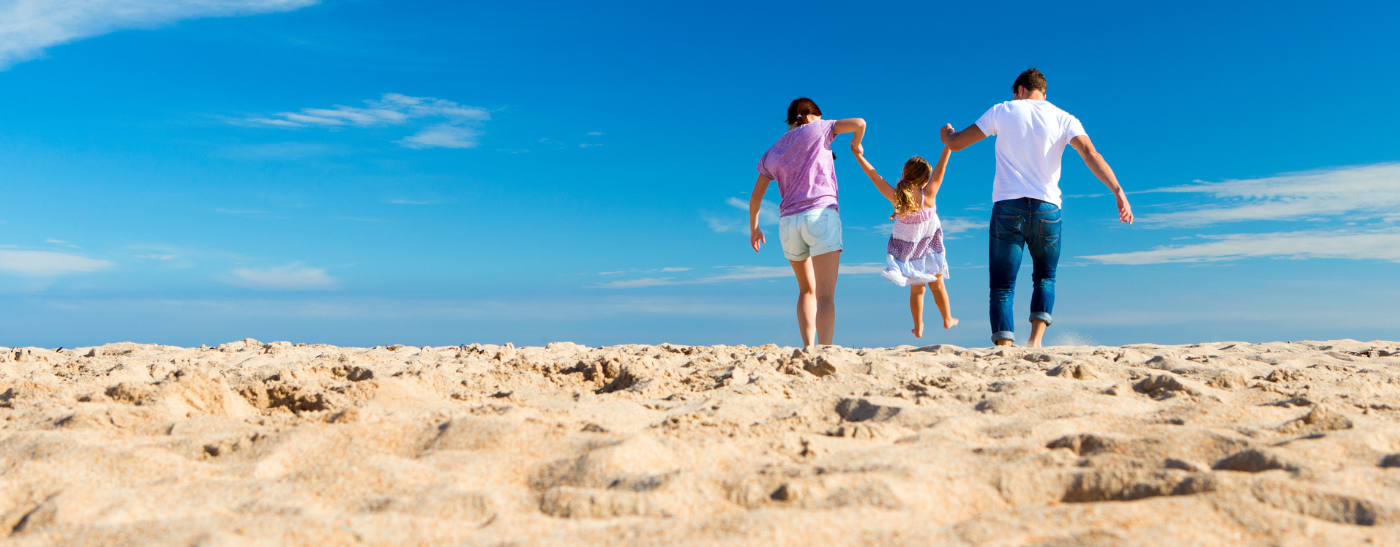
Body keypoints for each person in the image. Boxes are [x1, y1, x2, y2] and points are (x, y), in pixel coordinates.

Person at [939, 68, 1132, 347]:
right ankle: (1035, 342)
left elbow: (956, 144)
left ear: (1019, 90)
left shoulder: (1003, 111)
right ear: (1044, 92)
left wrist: (947, 135)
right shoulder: (1064, 118)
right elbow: (1091, 154)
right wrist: (1118, 190)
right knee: (1045, 277)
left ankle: (1005, 347)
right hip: (1047, 209)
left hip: (1008, 207)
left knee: (1003, 286)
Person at [749, 98, 865, 347]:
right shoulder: (820, 128)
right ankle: (824, 351)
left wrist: (755, 228)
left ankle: (808, 348)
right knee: (825, 295)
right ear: (814, 115)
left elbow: (756, 196)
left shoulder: (773, 150)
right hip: (820, 214)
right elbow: (859, 123)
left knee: (806, 291)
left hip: (788, 223)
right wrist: (856, 143)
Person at [852, 149, 959, 338]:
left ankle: (918, 328)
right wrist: (948, 146)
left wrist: (859, 156)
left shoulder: (898, 198)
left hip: (910, 253)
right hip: (930, 249)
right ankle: (947, 319)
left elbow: (875, 177)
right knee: (938, 286)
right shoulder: (930, 194)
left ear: (903, 176)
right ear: (926, 179)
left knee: (918, 291)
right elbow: (941, 168)